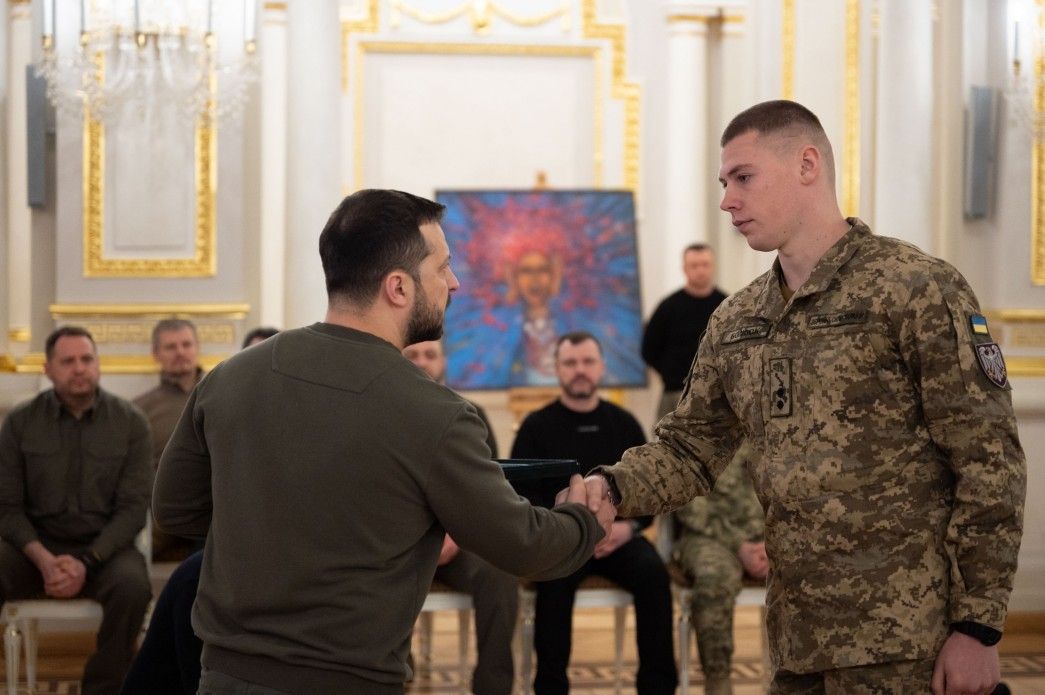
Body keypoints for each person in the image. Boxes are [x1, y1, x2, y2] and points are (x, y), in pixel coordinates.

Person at [580, 100, 1027, 694]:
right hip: (797, 646)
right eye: (723, 183)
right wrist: (611, 488)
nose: (727, 200)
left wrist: (978, 626)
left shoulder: (915, 288)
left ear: (807, 165)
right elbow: (688, 449)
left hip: (910, 645)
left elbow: (988, 461)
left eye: (743, 177)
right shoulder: (737, 320)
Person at [152, 188, 615, 695]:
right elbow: (523, 546)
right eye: (443, 267)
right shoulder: (435, 414)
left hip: (223, 676)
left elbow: (174, 509)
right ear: (398, 287)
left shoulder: (229, 377)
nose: (454, 282)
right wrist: (584, 520)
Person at [511, 331, 677, 695]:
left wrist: (628, 529)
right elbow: (521, 497)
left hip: (618, 538)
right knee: (553, 583)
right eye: (570, 363)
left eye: (587, 361)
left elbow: (649, 489)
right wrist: (568, 531)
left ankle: (658, 688)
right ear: (557, 369)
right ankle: (550, 689)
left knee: (654, 575)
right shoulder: (536, 427)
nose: (580, 370)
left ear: (601, 367)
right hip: (563, 541)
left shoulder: (625, 423)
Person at [0, 326, 153, 695]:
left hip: (103, 550)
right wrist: (44, 560)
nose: (80, 368)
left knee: (133, 586)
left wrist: (86, 562)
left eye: (87, 359)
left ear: (98, 364)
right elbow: (7, 507)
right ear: (48, 369)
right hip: (34, 549)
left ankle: (104, 686)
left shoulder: (131, 423)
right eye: (68, 361)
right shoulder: (20, 422)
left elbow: (133, 510)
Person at [402, 339, 515, 694]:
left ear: (444, 362)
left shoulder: (471, 415)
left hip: (459, 541)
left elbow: (488, 489)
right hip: (400, 545)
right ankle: (396, 673)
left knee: (499, 575)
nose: (422, 362)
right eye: (412, 355)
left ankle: (493, 687)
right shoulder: (380, 414)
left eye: (430, 355)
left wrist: (453, 534)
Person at [672, 442, 766, 695]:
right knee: (714, 578)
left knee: (814, 570)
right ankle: (717, 679)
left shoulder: (777, 425)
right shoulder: (695, 429)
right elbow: (688, 502)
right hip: (709, 536)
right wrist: (738, 544)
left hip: (771, 536)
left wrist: (773, 541)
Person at [133, 318, 204, 561]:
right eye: (171, 347)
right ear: (156, 353)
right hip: (161, 512)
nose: (180, 352)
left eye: (186, 344)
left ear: (197, 347)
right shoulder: (139, 410)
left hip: (216, 508)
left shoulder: (222, 394)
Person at [641, 244, 727, 419]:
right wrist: (671, 373)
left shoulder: (726, 305)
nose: (700, 271)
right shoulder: (668, 307)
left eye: (705, 265)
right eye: (694, 266)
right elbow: (649, 349)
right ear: (684, 269)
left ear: (713, 267)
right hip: (676, 392)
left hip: (718, 394)